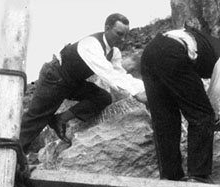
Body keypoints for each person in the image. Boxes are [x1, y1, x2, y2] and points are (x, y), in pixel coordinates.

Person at [20, 12, 147, 153]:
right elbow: (108, 74)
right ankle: (10, 153)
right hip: (55, 78)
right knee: (35, 119)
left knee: (102, 98)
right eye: (119, 34)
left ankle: (61, 119)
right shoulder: (91, 44)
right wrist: (136, 94)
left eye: (125, 35)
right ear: (107, 28)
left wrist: (144, 89)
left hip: (72, 83)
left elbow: (120, 74)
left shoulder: (114, 52)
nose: (123, 39)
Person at [141, 25, 220, 183]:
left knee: (166, 120)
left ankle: (171, 177)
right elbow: (215, 93)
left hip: (150, 53)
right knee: (202, 115)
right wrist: (214, 119)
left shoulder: (211, 46)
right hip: (172, 51)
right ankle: (199, 176)